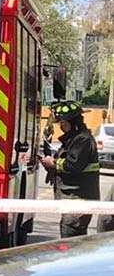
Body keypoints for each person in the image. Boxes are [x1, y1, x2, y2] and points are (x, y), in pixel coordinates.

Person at [40, 100, 101, 237]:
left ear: (72, 122)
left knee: (70, 235)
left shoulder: (83, 140)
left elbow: (73, 165)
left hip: (79, 199)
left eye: (63, 123)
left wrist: (53, 163)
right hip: (73, 199)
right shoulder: (74, 140)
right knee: (73, 238)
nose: (61, 127)